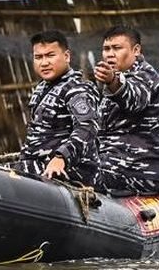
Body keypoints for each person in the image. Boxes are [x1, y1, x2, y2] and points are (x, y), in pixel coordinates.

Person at [93, 25, 159, 194]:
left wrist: (112, 82)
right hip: (115, 166)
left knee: (79, 174)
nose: (110, 54)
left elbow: (133, 100)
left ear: (136, 50)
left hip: (144, 171)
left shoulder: (145, 76)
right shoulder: (114, 80)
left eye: (117, 48)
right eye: (106, 49)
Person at [17, 30, 100, 185]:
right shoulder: (42, 88)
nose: (44, 62)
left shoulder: (77, 89)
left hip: (69, 171)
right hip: (37, 165)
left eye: (50, 55)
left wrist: (62, 157)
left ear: (66, 56)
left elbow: (88, 127)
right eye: (38, 57)